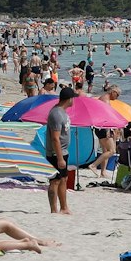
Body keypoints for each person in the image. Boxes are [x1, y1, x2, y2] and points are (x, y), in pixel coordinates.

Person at [44, 87, 75, 215]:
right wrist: (60, 157)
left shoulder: (63, 112)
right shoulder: (56, 114)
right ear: (69, 99)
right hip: (56, 153)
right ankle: (53, 210)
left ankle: (64, 207)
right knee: (55, 180)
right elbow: (55, 138)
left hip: (64, 151)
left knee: (63, 179)